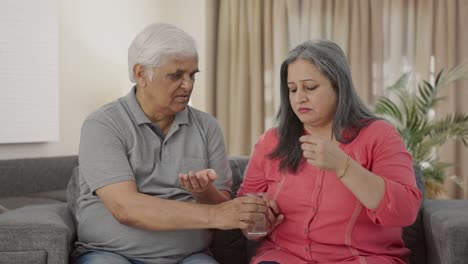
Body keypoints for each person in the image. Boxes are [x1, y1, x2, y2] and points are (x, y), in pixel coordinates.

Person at [72, 23, 267, 264]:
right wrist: (215, 213)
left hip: (189, 257)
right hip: (109, 255)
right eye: (176, 75)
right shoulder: (103, 124)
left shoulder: (207, 127)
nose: (188, 85)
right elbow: (126, 208)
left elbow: (223, 208)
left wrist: (205, 192)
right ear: (142, 74)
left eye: (192, 75)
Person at [237, 40, 422, 264]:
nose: (299, 98)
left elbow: (405, 211)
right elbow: (244, 213)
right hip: (285, 256)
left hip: (361, 258)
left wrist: (344, 166)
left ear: (338, 85)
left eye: (310, 87)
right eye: (292, 89)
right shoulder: (272, 141)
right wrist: (258, 219)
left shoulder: (379, 135)